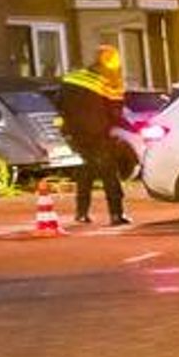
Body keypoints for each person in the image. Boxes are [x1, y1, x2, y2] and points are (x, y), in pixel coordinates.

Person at [57, 46, 132, 226]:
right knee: (109, 173)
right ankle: (116, 214)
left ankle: (81, 213)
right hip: (99, 134)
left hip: (75, 134)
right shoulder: (110, 82)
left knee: (86, 171)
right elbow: (115, 111)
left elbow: (59, 103)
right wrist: (130, 128)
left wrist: (67, 128)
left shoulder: (72, 77)